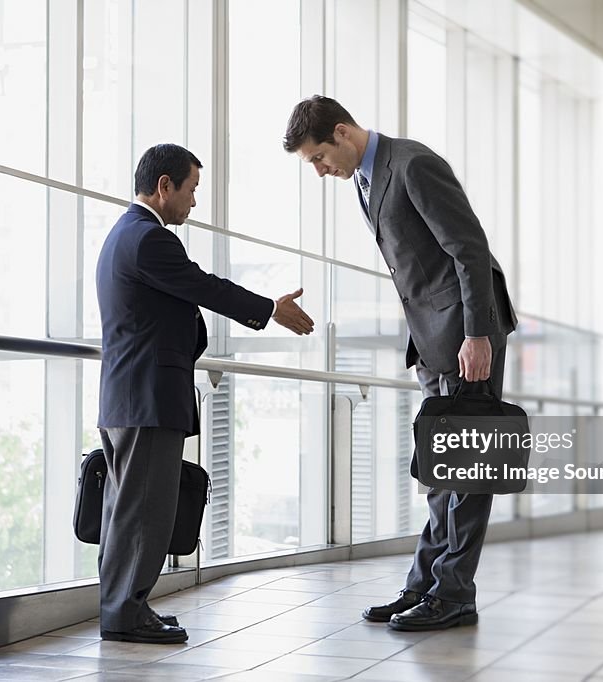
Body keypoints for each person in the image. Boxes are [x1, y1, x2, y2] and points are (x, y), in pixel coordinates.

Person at [284, 96, 517, 632]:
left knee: (467, 469)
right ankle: (425, 586)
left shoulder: (412, 165)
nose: (321, 172)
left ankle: (454, 594)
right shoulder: (368, 180)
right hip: (433, 340)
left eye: (319, 158)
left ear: (342, 133)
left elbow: (470, 250)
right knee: (441, 471)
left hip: (466, 335)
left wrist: (477, 334)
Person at [96, 144, 314, 644]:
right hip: (147, 397)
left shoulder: (123, 236)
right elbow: (203, 287)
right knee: (143, 510)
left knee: (126, 509)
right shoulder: (149, 239)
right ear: (165, 186)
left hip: (127, 396)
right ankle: (126, 613)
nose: (194, 203)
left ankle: (124, 607)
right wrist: (268, 309)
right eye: (191, 190)